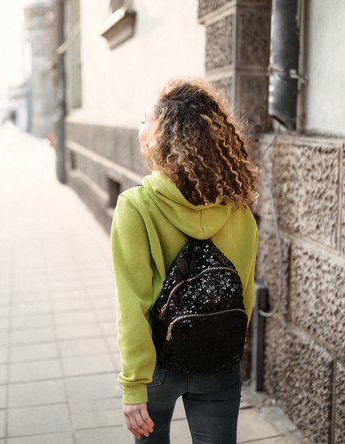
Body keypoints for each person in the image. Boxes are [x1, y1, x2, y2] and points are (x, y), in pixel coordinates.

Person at [110, 76, 259, 443]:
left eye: (146, 120)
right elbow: (245, 294)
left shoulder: (136, 207)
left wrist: (133, 384)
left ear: (162, 134)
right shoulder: (239, 210)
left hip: (158, 367)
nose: (140, 128)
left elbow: (133, 304)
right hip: (219, 362)